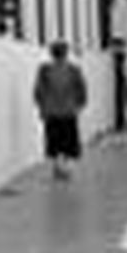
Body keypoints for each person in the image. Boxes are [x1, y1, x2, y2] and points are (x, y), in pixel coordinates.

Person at [32, 40, 88, 182]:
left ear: (51, 53)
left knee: (54, 140)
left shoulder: (44, 70)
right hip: (69, 111)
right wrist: (80, 104)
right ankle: (67, 168)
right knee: (69, 140)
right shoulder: (74, 70)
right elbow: (81, 88)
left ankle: (58, 165)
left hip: (51, 112)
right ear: (66, 53)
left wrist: (41, 106)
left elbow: (38, 91)